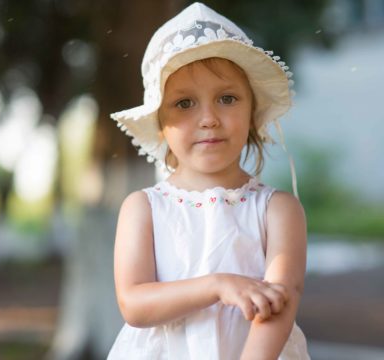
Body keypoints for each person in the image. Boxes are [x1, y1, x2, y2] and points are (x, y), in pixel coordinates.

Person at [107, 2, 309, 359]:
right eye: (184, 103)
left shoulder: (278, 209)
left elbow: (281, 300)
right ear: (159, 121)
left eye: (227, 98)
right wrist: (216, 285)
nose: (209, 119)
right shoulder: (144, 208)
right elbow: (134, 304)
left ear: (252, 111)